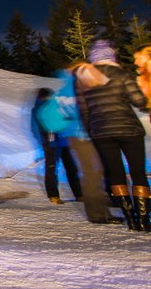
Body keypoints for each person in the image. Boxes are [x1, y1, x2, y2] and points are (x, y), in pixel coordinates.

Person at [75, 40, 150, 231]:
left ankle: (130, 219)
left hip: (101, 132)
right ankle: (143, 219)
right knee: (138, 172)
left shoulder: (83, 79)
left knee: (116, 173)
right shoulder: (121, 74)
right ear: (111, 57)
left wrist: (91, 130)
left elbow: (83, 110)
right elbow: (138, 100)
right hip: (128, 129)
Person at [52, 68, 117, 224]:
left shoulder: (61, 90)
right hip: (82, 135)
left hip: (75, 135)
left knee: (93, 172)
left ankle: (100, 211)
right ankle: (97, 214)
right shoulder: (75, 89)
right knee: (92, 173)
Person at [31, 88, 82, 205]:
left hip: (63, 140)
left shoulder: (56, 107)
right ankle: (53, 195)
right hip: (51, 143)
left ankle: (79, 194)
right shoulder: (39, 108)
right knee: (52, 168)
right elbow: (38, 127)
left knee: (71, 167)